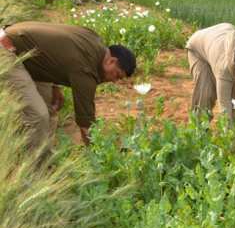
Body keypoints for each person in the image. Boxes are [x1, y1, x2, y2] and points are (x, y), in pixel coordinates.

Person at [1, 22, 135, 151]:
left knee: (50, 108)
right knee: (38, 115)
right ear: (112, 61)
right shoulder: (87, 70)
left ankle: (43, 155)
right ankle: (34, 166)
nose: (115, 81)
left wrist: (55, 85)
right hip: (7, 49)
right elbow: (85, 125)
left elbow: (60, 54)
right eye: (117, 75)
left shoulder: (95, 41)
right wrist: (98, 155)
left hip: (25, 51)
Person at [186, 23, 235, 120]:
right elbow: (224, 107)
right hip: (198, 47)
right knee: (206, 94)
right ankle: (199, 129)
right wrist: (229, 132)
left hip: (222, 33)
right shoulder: (223, 68)